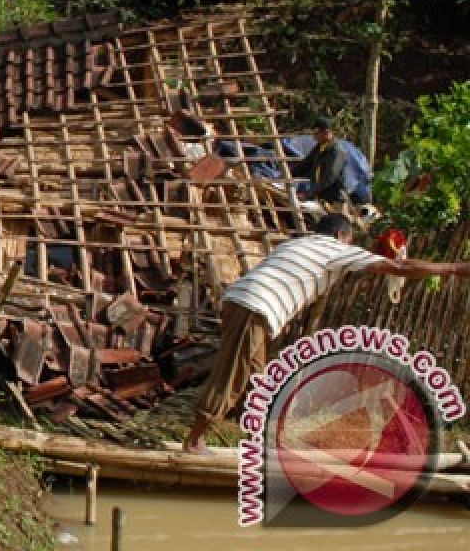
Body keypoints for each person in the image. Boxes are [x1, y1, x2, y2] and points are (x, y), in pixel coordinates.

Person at [184, 213, 470, 453]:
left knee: (258, 379)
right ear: (343, 236)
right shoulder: (336, 250)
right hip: (256, 306)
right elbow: (398, 266)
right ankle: (195, 438)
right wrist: (454, 269)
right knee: (234, 375)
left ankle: (267, 443)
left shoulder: (299, 244)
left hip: (239, 301)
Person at [290, 117, 348, 202]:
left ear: (326, 132)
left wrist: (309, 194)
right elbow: (304, 164)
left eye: (316, 133)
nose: (314, 137)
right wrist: (287, 175)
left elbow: (329, 178)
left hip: (333, 199)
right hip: (319, 195)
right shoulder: (320, 148)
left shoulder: (337, 152)